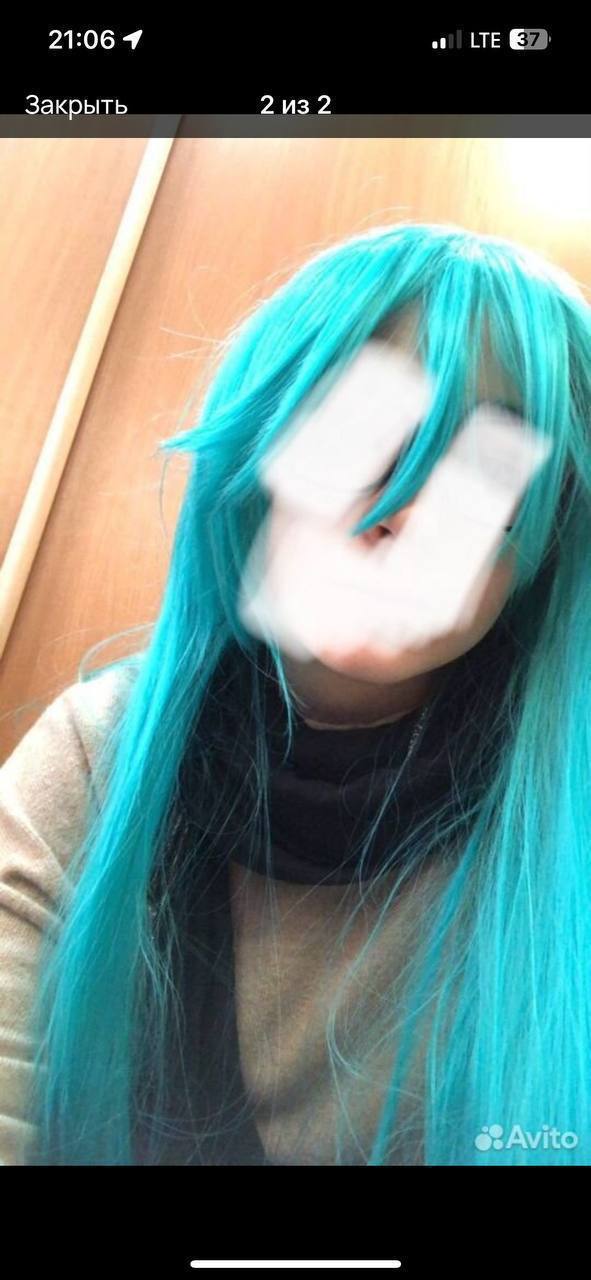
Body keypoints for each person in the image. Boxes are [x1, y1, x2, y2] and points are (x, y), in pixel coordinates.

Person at [0, 221, 589, 1165]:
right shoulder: (93, 757)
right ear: (254, 463)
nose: (404, 512)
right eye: (360, 437)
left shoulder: (562, 822)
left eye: (487, 478)